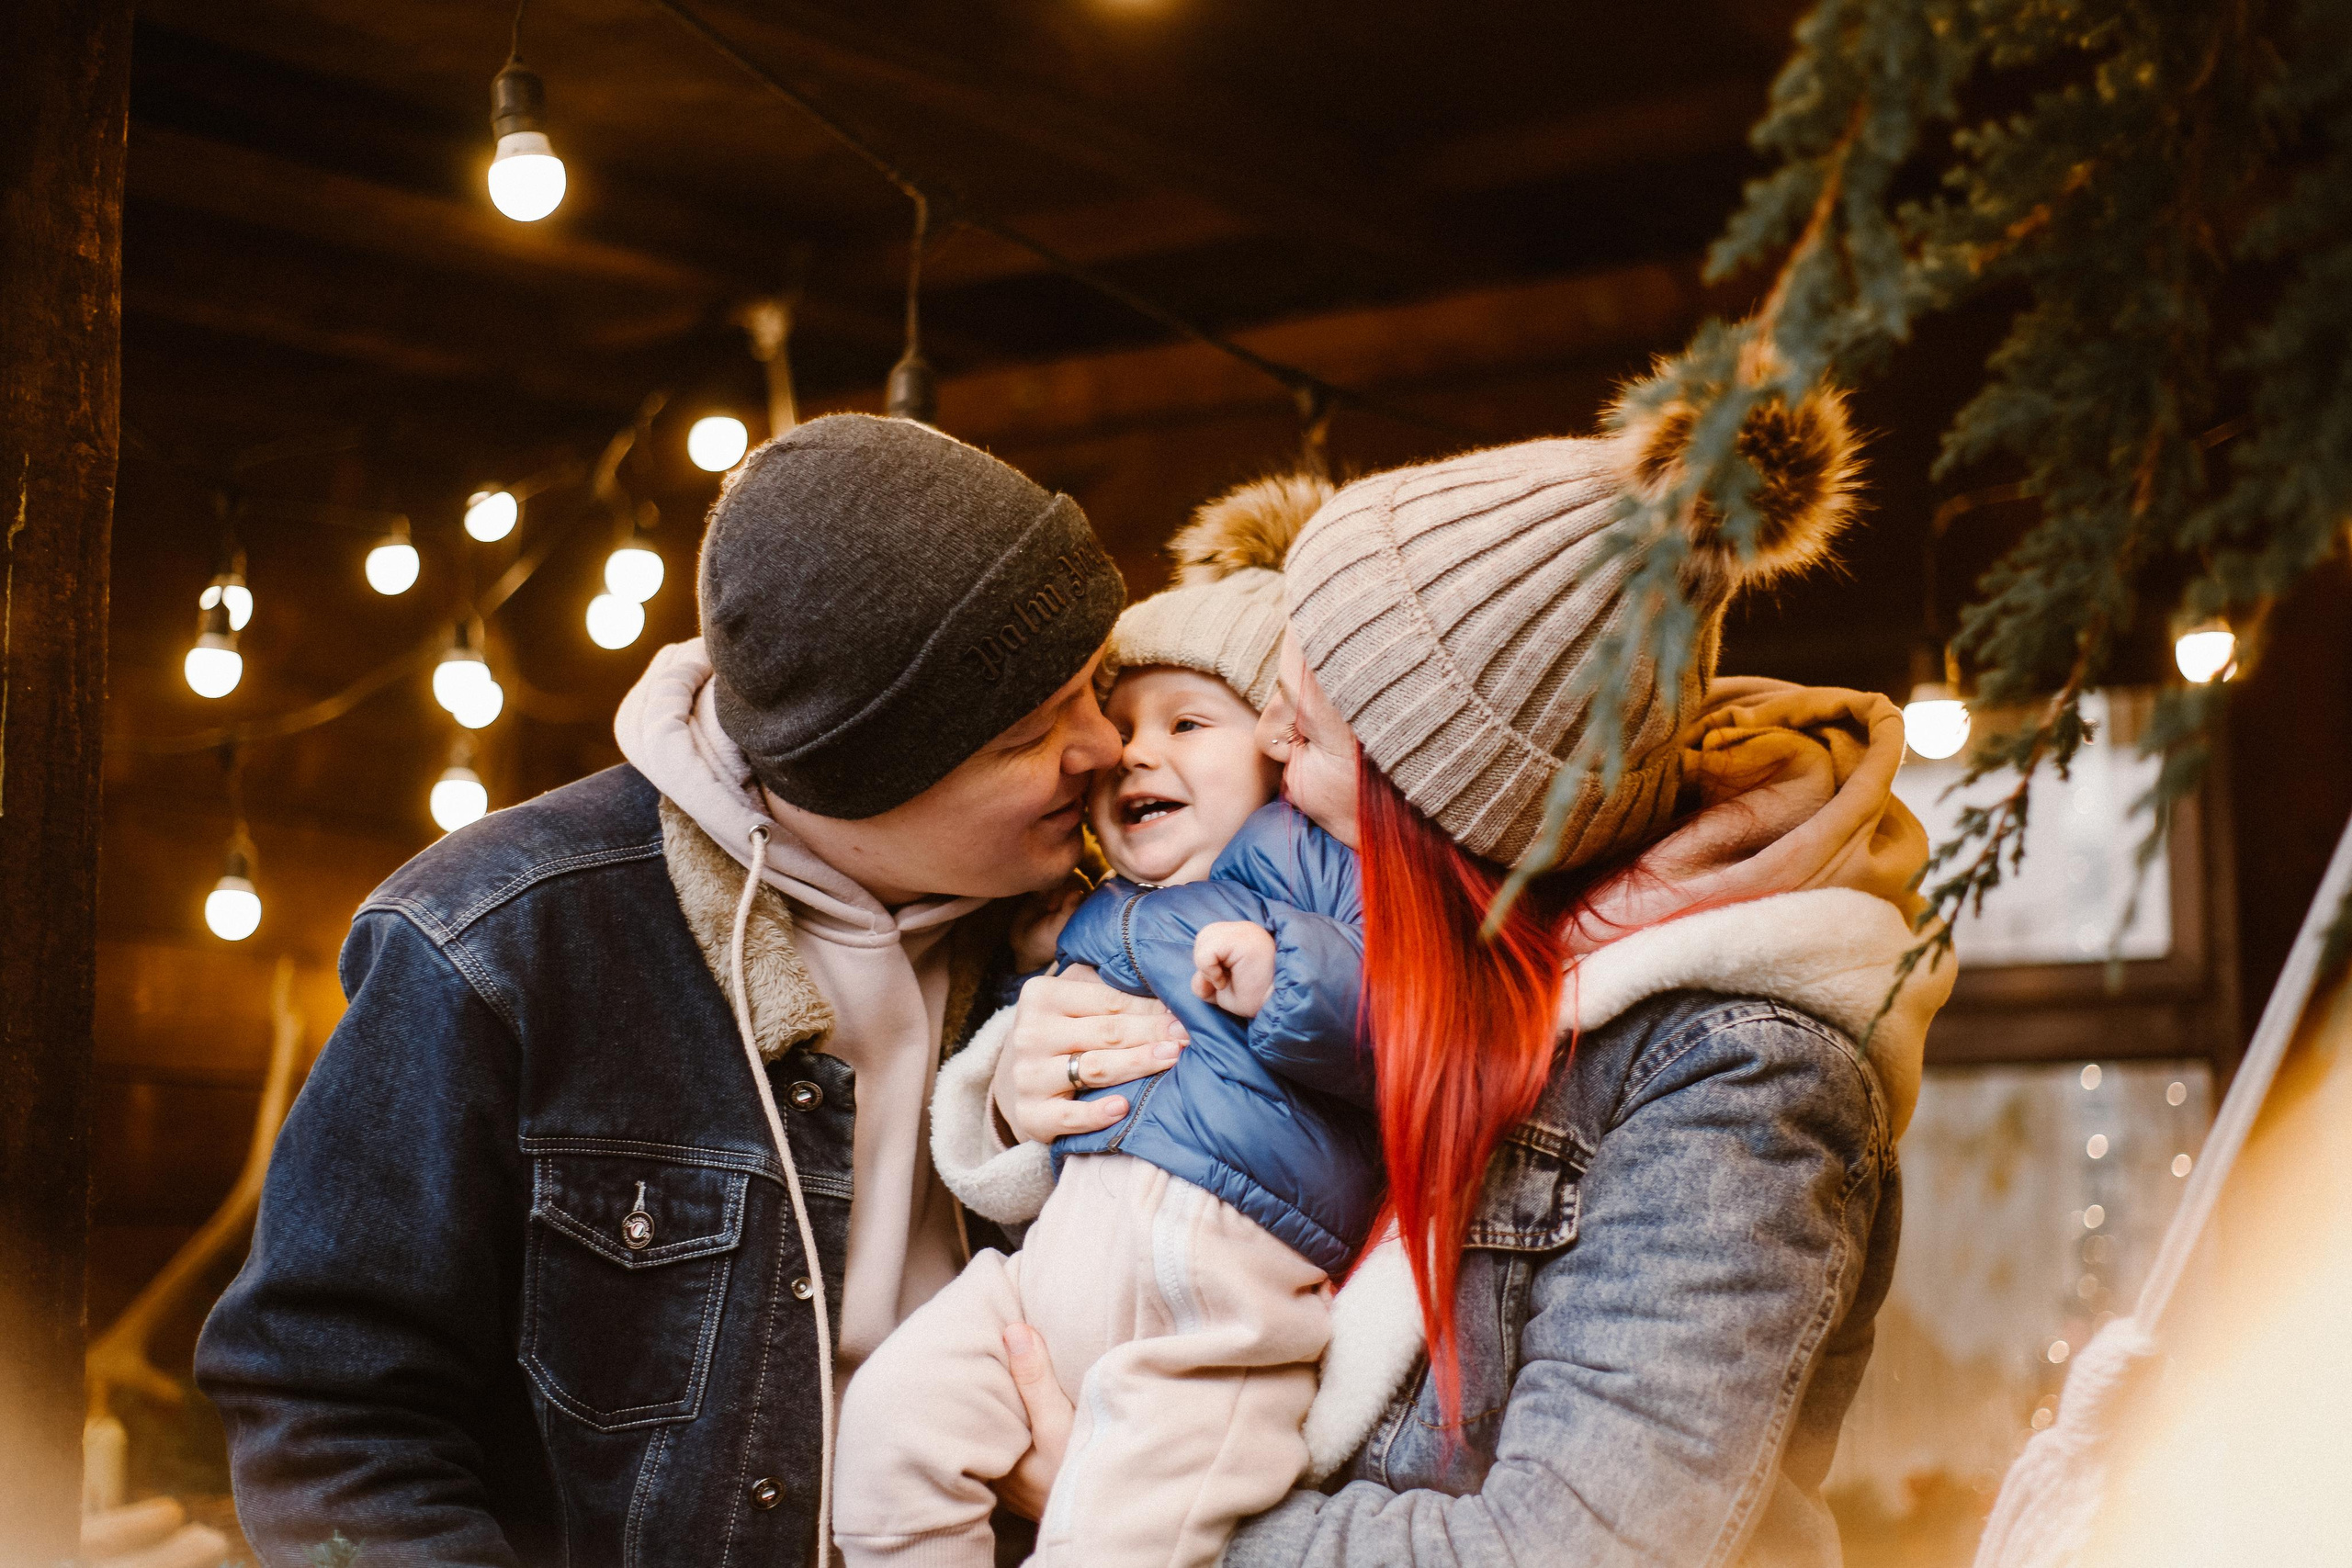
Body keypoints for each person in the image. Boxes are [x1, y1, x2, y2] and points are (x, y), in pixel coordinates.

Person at [940, 379, 1958, 1564]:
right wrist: (1026, 1087)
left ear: (1435, 799)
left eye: (1305, 729)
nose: (1266, 744)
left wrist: (1160, 1521)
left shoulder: (1735, 1080)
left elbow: (1573, 1547)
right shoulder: (1382, 953)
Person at [194, 414, 1176, 1566]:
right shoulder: (499, 938)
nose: (1107, 746)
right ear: (858, 774)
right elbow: (330, 1402)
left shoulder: (1123, 926)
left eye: (1092, 688)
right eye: (1031, 730)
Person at [834, 476, 1373, 1567]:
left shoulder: (1310, 868)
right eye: (1119, 726)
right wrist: (1030, 980)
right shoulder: (1087, 907)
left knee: (1113, 1542)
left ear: (1280, 744)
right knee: (888, 1427)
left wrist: (1290, 976)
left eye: (1186, 722)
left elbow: (1407, 1021)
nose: (1134, 751)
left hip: (1216, 1319)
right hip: (1049, 1280)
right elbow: (1018, 1109)